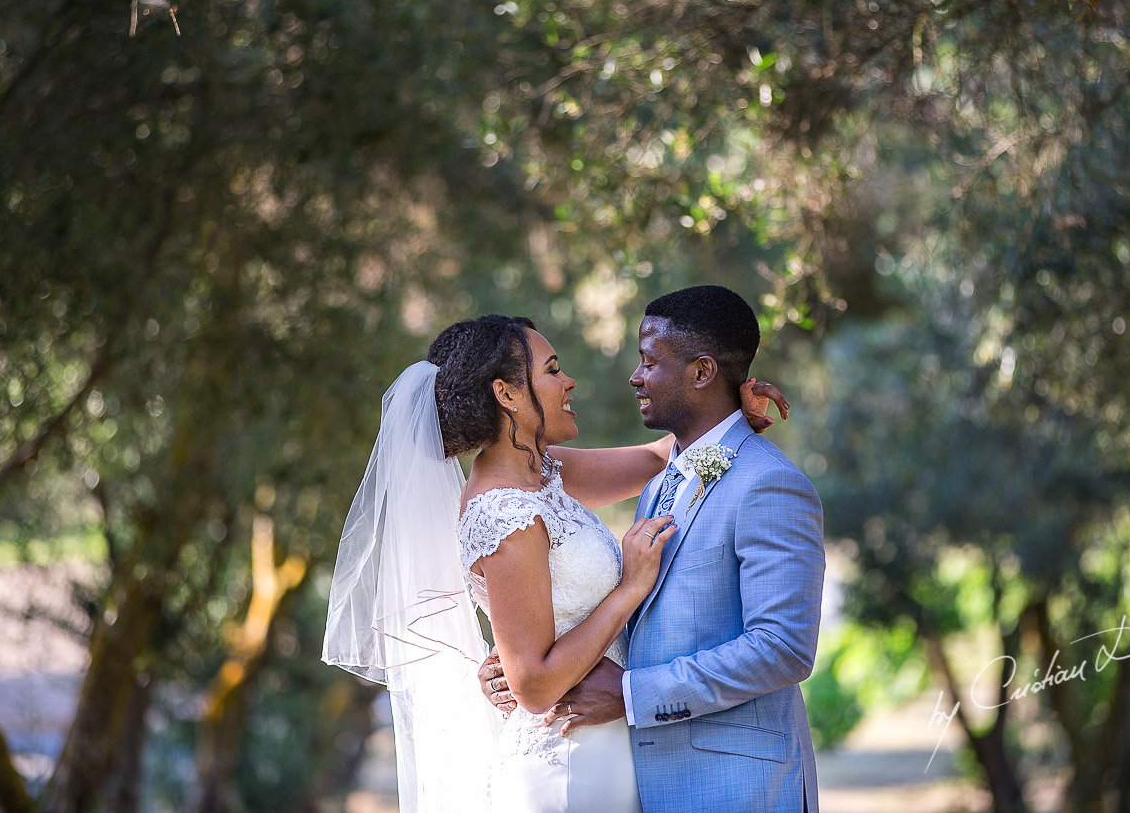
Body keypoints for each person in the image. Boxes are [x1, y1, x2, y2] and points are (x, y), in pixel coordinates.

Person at [322, 311, 788, 812]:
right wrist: (629, 588)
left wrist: (727, 412)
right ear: (507, 394)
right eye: (551, 370)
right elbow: (537, 686)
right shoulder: (505, 512)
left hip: (607, 752)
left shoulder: (545, 474)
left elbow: (660, 459)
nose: (568, 382)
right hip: (565, 767)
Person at [480, 286, 825, 813]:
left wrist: (631, 694)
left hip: (736, 787)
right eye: (552, 370)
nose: (635, 377)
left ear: (701, 372)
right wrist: (520, 656)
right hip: (634, 778)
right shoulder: (657, 484)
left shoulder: (769, 484)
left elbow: (783, 648)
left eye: (648, 362)